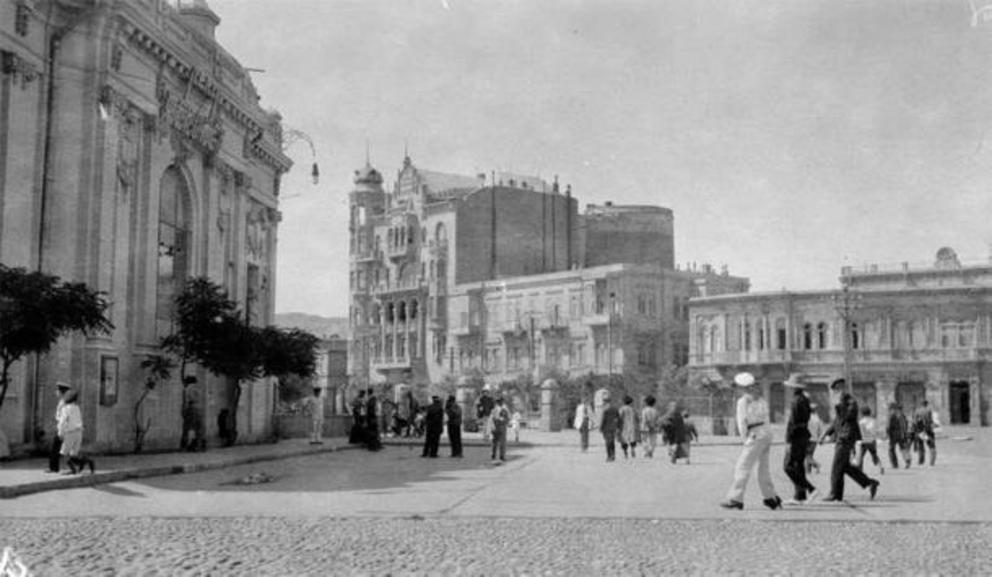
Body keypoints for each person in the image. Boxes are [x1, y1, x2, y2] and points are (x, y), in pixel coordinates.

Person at [720, 372, 783, 511]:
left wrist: (745, 439)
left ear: (741, 387)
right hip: (765, 433)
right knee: (763, 468)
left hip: (754, 435)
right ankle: (771, 497)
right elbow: (766, 418)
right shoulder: (761, 400)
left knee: (742, 467)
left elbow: (742, 422)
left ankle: (736, 498)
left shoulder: (743, 401)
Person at [818, 384, 880, 502]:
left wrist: (840, 406)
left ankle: (834, 493)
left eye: (837, 390)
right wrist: (825, 434)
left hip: (846, 438)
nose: (836, 393)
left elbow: (848, 417)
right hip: (842, 437)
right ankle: (869, 483)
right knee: (844, 467)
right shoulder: (842, 404)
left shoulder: (851, 403)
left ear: (842, 389)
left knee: (837, 466)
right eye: (835, 391)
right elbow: (836, 422)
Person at [782, 377, 818, 505]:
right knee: (798, 466)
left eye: (791, 386)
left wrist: (788, 440)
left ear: (794, 387)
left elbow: (793, 423)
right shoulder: (805, 399)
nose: (789, 388)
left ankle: (810, 488)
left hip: (796, 436)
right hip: (804, 435)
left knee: (788, 466)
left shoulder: (796, 401)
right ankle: (799, 496)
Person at [57, 387, 95, 475]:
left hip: (70, 432)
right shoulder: (77, 408)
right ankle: (87, 461)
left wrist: (60, 433)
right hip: (79, 432)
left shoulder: (65, 409)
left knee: (64, 453)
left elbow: (63, 421)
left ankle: (72, 470)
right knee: (74, 454)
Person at [45, 382, 72, 474]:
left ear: (61, 392)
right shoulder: (63, 401)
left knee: (62, 448)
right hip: (62, 427)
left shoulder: (65, 402)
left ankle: (69, 468)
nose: (56, 392)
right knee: (56, 448)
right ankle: (54, 467)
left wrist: (62, 431)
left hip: (65, 429)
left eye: (58, 390)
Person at [180, 376, 206, 452]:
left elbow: (186, 401)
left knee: (187, 427)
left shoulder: (187, 389)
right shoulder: (199, 389)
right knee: (199, 428)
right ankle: (199, 445)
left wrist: (184, 411)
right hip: (200, 408)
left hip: (191, 408)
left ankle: (185, 446)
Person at [857, 405, 884, 475]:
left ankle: (860, 470)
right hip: (872, 441)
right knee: (874, 455)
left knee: (861, 456)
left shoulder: (861, 422)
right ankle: (880, 467)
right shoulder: (873, 420)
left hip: (864, 441)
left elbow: (859, 432)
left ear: (862, 413)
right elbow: (876, 430)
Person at [886, 403, 911, 469]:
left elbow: (888, 426)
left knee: (891, 450)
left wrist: (887, 434)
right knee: (903, 448)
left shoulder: (890, 415)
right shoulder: (901, 415)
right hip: (901, 435)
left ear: (891, 408)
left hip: (893, 435)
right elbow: (906, 424)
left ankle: (895, 464)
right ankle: (907, 460)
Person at [911, 399, 937, 467]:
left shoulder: (917, 411)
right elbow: (930, 421)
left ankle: (921, 461)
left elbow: (914, 422)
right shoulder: (928, 411)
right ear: (926, 404)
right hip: (928, 431)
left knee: (920, 447)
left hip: (919, 431)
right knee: (932, 446)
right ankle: (932, 462)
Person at [599, 392, 620, 462]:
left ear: (605, 401)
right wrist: (618, 427)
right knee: (612, 441)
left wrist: (600, 427)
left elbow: (603, 419)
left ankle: (609, 456)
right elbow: (618, 418)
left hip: (606, 428)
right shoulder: (615, 408)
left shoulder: (605, 409)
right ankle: (613, 455)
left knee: (607, 442)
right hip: (613, 428)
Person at [490, 395, 511, 462]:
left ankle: (502, 456)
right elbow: (491, 418)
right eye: (498, 401)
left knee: (502, 442)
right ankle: (493, 455)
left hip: (502, 426)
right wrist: (492, 426)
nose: (499, 402)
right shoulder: (494, 409)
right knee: (495, 442)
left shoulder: (505, 409)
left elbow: (508, 417)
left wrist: (505, 421)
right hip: (496, 426)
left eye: (500, 401)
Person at [806, 403, 824, 475]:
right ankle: (808, 471)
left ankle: (817, 465)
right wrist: (819, 438)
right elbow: (821, 430)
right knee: (810, 456)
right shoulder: (817, 419)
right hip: (814, 440)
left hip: (807, 440)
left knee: (806, 456)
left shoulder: (806, 418)